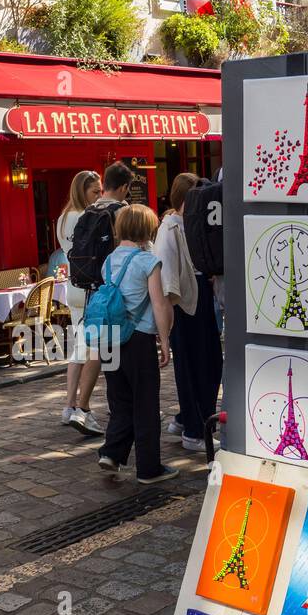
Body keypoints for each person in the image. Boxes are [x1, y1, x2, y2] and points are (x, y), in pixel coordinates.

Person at [96, 204, 177, 485]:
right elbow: (158, 304)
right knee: (145, 403)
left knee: (120, 401)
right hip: (138, 339)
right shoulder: (147, 261)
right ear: (147, 230)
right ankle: (148, 468)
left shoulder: (107, 261)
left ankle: (111, 453)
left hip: (109, 337)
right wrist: (165, 340)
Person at [154, 173, 222, 453]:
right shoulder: (170, 228)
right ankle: (194, 430)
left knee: (210, 363)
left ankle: (188, 419)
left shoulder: (189, 224)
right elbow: (167, 277)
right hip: (185, 304)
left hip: (199, 298)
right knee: (195, 368)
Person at [65, 160, 133, 436]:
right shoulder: (122, 211)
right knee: (105, 349)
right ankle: (85, 408)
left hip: (92, 290)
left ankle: (84, 407)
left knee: (95, 347)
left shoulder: (88, 211)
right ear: (126, 187)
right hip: (115, 289)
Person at [55, 170, 103, 435]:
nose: (99, 196)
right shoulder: (85, 217)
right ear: (82, 191)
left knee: (79, 349)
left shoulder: (63, 218)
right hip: (88, 289)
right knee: (93, 350)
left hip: (72, 288)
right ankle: (81, 408)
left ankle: (69, 405)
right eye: (95, 192)